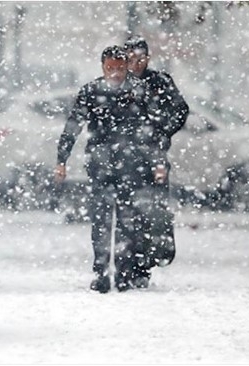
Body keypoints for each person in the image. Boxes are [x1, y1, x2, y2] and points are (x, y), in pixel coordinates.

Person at [55, 45, 166, 293]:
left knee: (128, 222)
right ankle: (102, 272)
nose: (115, 73)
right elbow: (73, 125)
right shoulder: (92, 91)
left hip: (132, 166)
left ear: (127, 66)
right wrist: (62, 159)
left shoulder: (139, 91)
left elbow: (154, 130)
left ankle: (124, 273)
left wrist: (158, 162)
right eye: (110, 68)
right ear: (103, 67)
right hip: (101, 164)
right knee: (101, 221)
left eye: (119, 68)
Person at [121, 35, 189, 285]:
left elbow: (180, 110)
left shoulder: (159, 81)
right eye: (131, 58)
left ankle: (146, 261)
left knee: (154, 211)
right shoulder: (119, 83)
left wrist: (162, 131)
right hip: (124, 159)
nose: (136, 63)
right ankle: (128, 262)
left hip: (154, 156)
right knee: (127, 210)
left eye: (140, 58)